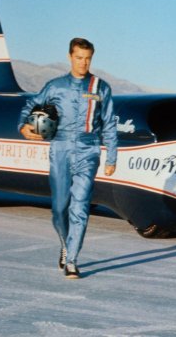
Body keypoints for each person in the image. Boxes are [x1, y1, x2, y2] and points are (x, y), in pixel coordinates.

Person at [18, 37, 118, 279]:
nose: (83, 63)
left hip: (89, 149)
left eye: (87, 59)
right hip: (60, 147)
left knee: (80, 206)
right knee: (59, 207)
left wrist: (111, 157)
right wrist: (23, 126)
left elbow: (109, 124)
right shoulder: (55, 86)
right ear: (69, 57)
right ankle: (65, 243)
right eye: (79, 58)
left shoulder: (100, 88)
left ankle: (72, 260)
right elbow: (31, 104)